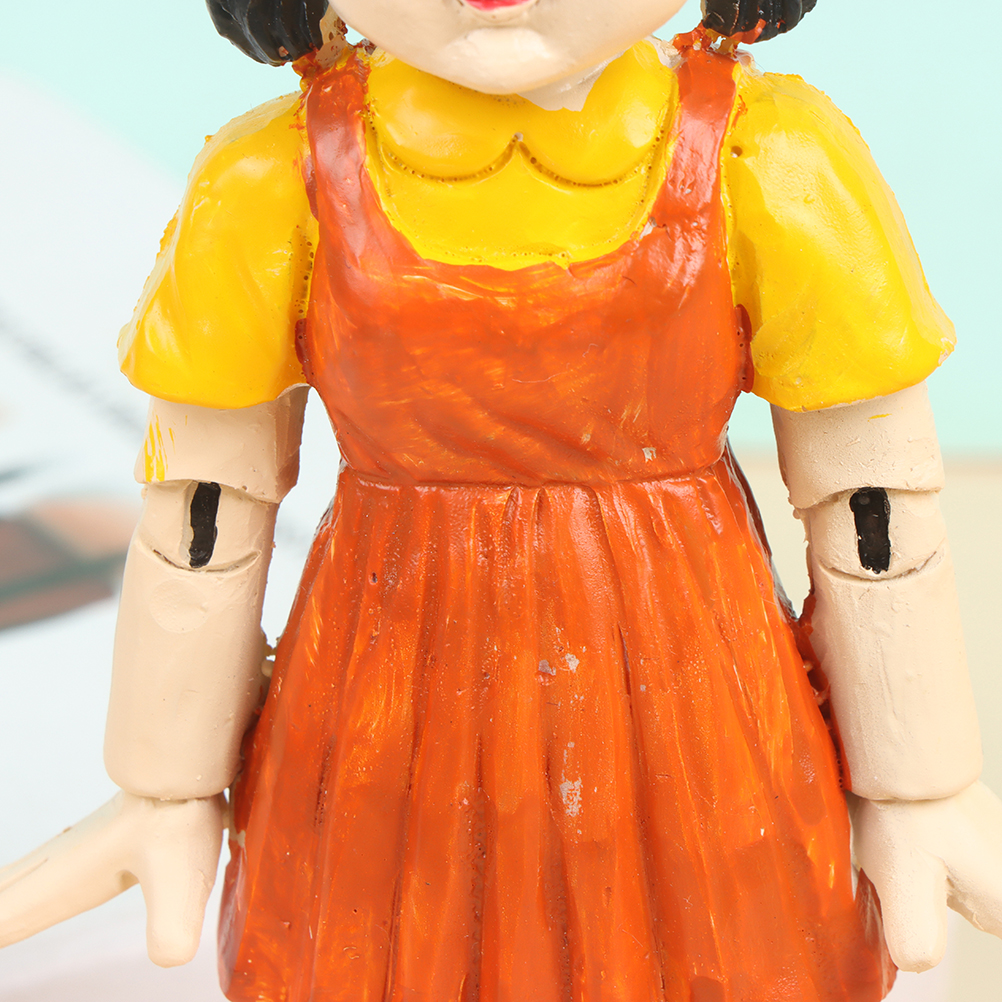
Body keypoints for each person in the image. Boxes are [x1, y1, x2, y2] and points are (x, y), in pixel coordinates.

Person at [2, 1, 1002, 999]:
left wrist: (918, 782)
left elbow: (871, 502)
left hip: (691, 711)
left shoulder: (768, 158)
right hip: (387, 714)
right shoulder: (272, 179)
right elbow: (204, 511)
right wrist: (166, 782)